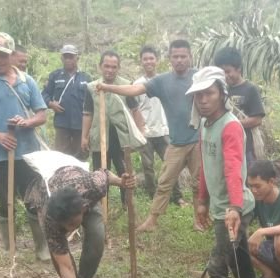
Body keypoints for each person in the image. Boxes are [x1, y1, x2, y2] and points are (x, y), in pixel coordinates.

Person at [189, 66, 263, 278]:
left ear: (222, 93)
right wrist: (202, 200)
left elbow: (233, 168)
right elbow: (208, 166)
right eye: (198, 95)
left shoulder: (230, 126)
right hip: (223, 206)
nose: (203, 99)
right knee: (238, 259)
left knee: (218, 265)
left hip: (234, 208)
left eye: (209, 93)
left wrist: (232, 207)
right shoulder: (207, 125)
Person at [97, 39, 203, 232]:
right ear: (169, 58)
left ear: (190, 57)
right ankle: (152, 221)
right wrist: (108, 87)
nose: (179, 60)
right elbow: (134, 90)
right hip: (177, 143)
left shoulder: (199, 77)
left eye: (183, 56)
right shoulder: (161, 81)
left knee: (198, 184)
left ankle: (198, 220)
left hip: (198, 140)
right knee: (164, 183)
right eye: (175, 56)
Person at [0, 32, 48, 260]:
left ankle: (42, 247)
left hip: (29, 153)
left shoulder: (27, 82)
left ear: (12, 56)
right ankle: (9, 248)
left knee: (35, 200)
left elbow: (42, 114)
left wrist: (27, 122)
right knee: (6, 203)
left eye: (2, 56)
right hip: (0, 155)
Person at [26, 165, 136, 278]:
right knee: (59, 252)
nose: (70, 230)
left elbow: (106, 174)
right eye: (65, 226)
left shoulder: (93, 185)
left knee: (97, 236)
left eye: (72, 224)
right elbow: (65, 265)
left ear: (84, 210)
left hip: (78, 190)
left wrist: (121, 182)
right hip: (45, 192)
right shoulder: (49, 217)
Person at [81, 51, 146, 206]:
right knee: (100, 173)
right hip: (99, 138)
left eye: (114, 67)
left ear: (118, 68)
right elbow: (88, 113)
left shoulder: (126, 85)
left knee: (125, 172)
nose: (110, 70)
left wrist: (140, 133)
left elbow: (135, 109)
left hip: (121, 138)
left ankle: (127, 203)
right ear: (100, 67)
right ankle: (102, 206)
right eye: (106, 66)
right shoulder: (91, 87)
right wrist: (84, 136)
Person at [133, 45, 183, 205]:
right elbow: (134, 109)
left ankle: (177, 196)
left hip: (163, 131)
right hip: (145, 133)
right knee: (147, 166)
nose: (148, 62)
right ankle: (152, 196)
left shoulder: (164, 81)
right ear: (141, 62)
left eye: (151, 58)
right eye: (145, 59)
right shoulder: (137, 84)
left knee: (171, 165)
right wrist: (138, 130)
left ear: (157, 60)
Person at [213, 46, 265, 166]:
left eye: (228, 71)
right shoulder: (221, 89)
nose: (225, 76)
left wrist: (230, 125)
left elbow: (257, 120)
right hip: (226, 145)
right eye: (221, 72)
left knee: (248, 180)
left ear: (239, 69)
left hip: (246, 148)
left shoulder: (250, 89)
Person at [43, 45, 91, 158]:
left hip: (80, 125)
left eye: (71, 57)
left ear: (77, 58)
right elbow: (44, 94)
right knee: (61, 157)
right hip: (62, 124)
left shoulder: (85, 78)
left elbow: (92, 102)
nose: (68, 60)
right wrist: (51, 104)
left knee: (80, 157)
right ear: (61, 58)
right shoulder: (55, 76)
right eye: (66, 57)